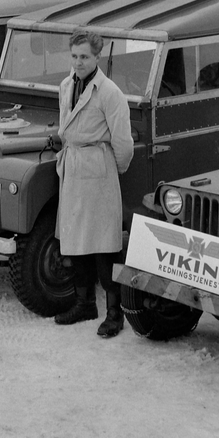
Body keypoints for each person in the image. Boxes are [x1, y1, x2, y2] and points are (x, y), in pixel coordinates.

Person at [54, 30, 135, 337]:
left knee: (105, 247)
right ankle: (84, 304)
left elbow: (123, 145)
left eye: (85, 57)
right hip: (73, 169)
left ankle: (115, 315)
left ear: (98, 57)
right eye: (74, 56)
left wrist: (107, 170)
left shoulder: (110, 93)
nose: (79, 63)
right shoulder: (66, 85)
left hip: (99, 172)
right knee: (76, 243)